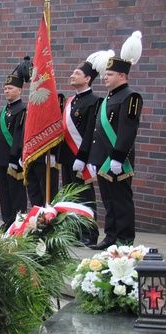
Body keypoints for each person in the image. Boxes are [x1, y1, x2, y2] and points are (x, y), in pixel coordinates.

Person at [89, 31, 143, 250]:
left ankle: (125, 239)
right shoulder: (107, 99)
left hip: (118, 158)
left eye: (109, 74)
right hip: (103, 158)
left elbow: (128, 130)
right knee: (108, 201)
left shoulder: (131, 97)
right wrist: (94, 159)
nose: (105, 77)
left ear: (122, 76)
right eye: (105, 74)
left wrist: (119, 156)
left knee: (121, 200)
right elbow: (98, 132)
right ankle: (110, 236)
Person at [59, 57, 101, 247]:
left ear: (88, 79)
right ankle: (74, 232)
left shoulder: (95, 101)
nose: (72, 75)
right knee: (70, 196)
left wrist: (83, 156)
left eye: (77, 73)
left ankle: (90, 233)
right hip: (68, 157)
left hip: (81, 158)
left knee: (85, 197)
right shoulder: (70, 101)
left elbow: (90, 131)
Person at [0, 61, 29, 230]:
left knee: (16, 192)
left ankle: (17, 222)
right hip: (0, 158)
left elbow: (19, 135)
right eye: (5, 88)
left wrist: (16, 155)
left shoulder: (22, 110)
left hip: (13, 158)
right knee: (4, 192)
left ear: (19, 90)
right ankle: (7, 220)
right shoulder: (3, 110)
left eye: (10, 88)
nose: (7, 91)